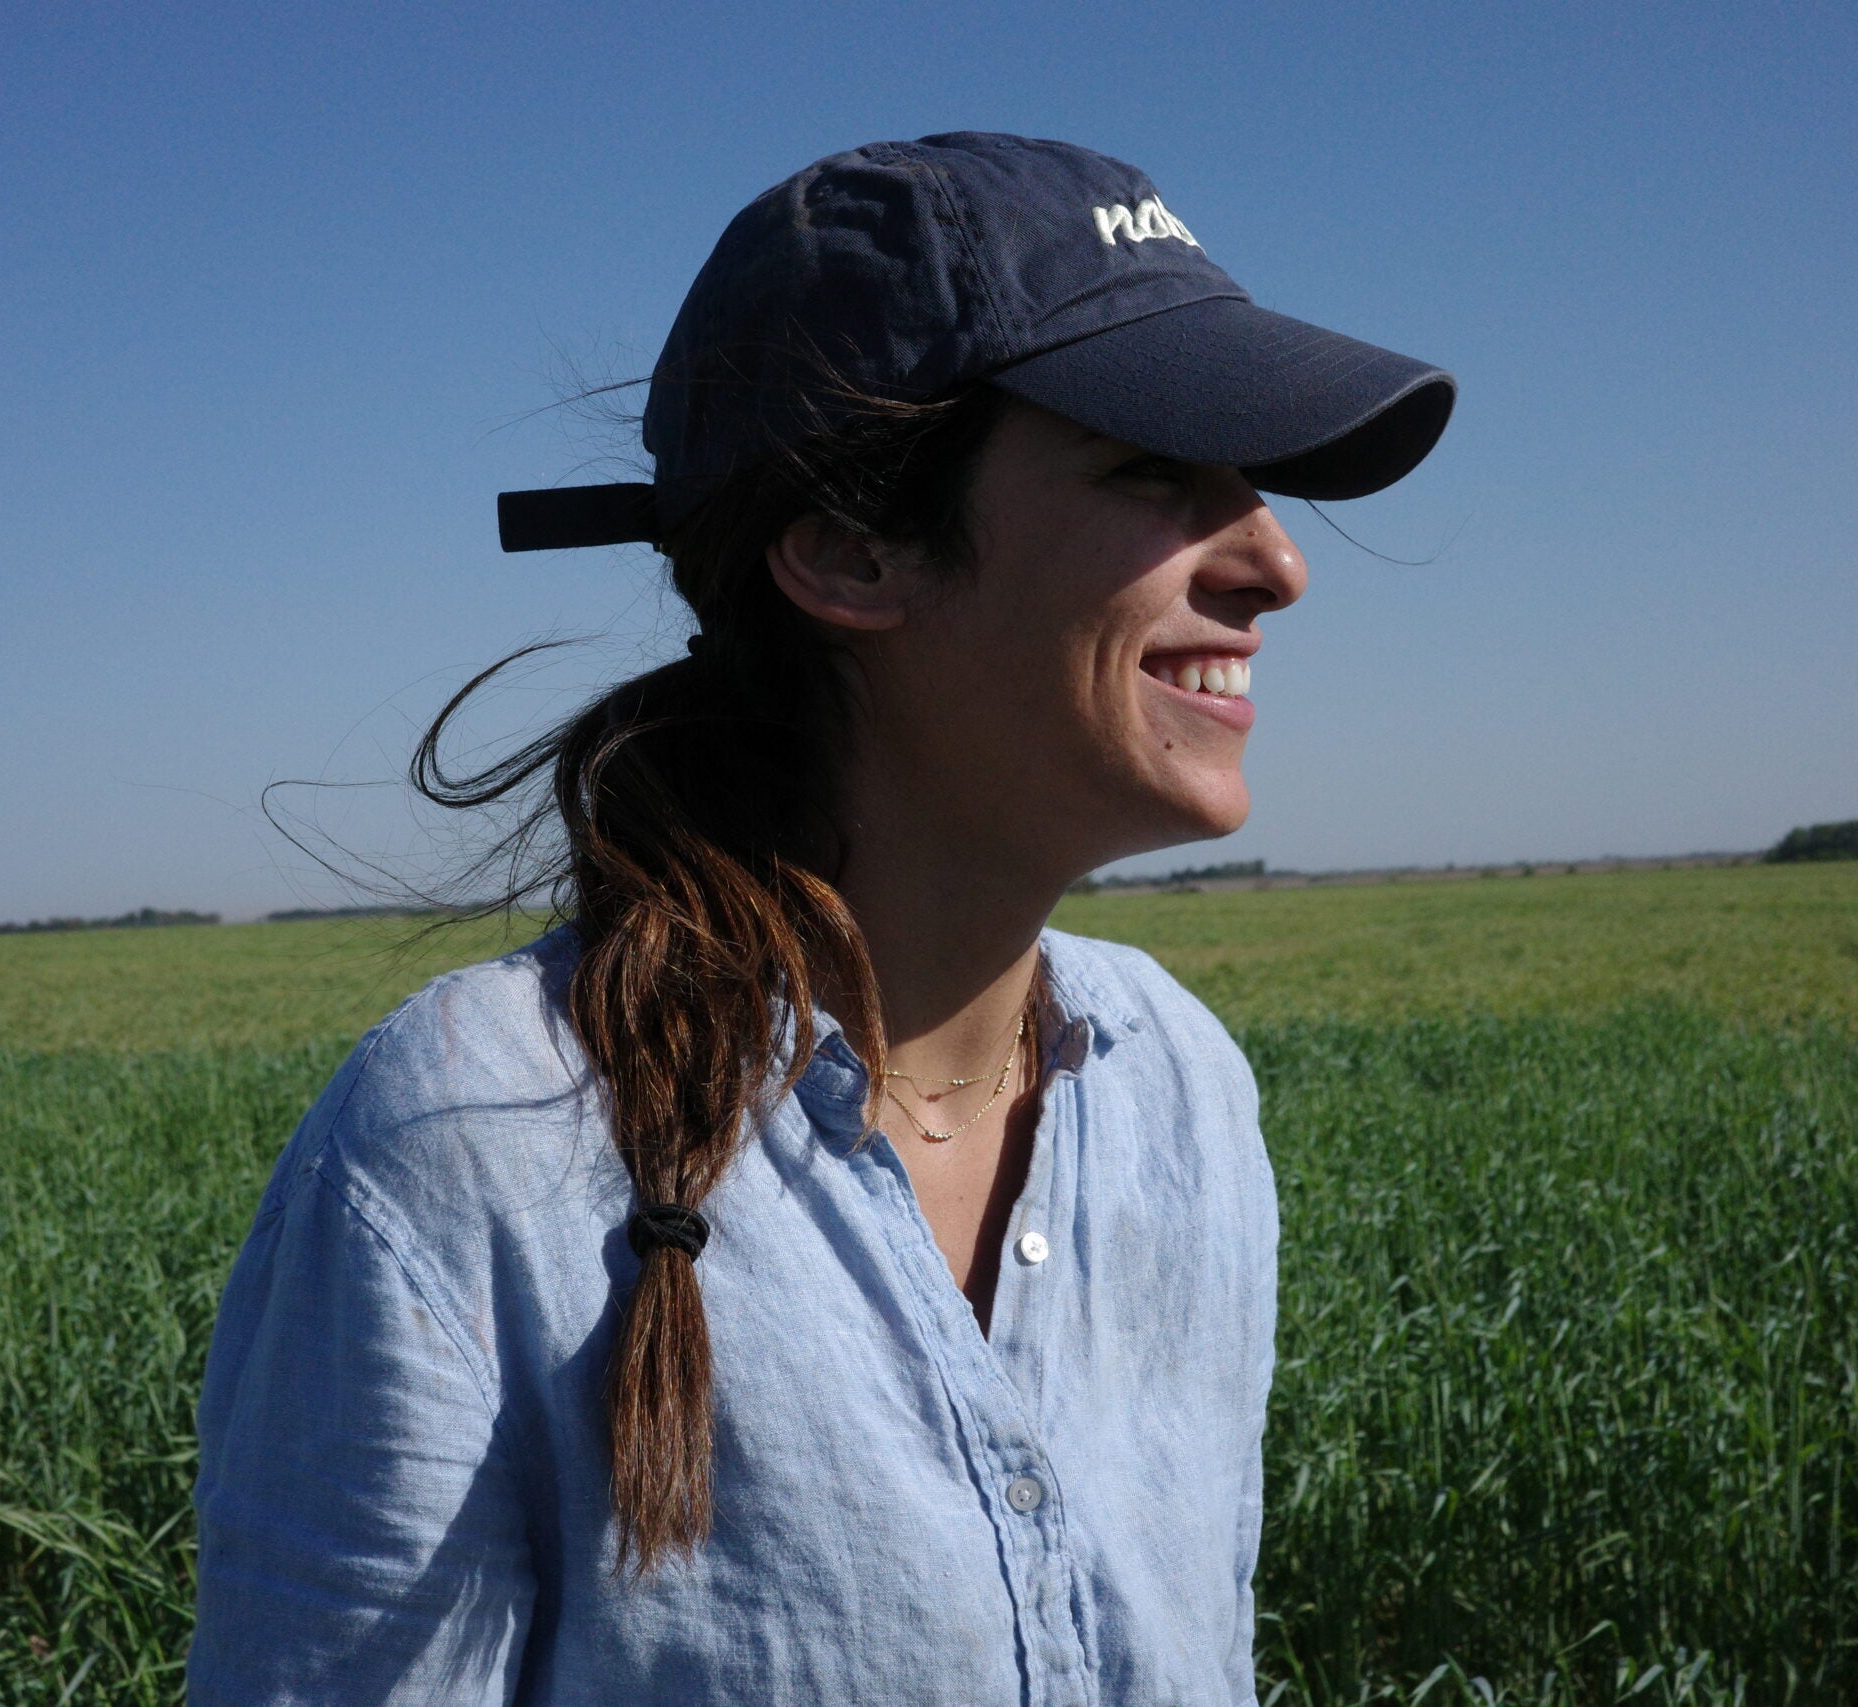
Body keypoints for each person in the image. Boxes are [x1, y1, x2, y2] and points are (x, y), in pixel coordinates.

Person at [189, 131, 1453, 1705]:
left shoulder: (1182, 1089)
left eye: (1252, 487)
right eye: (1154, 470)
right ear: (851, 552)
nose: (1274, 561)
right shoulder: (474, 1148)